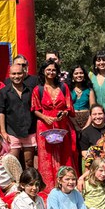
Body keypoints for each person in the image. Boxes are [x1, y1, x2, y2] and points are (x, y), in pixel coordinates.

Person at [33, 59, 78, 193]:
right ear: (43, 71)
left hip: (62, 124)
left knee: (64, 154)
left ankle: (66, 186)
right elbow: (35, 109)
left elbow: (69, 108)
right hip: (44, 125)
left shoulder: (64, 88)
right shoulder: (38, 89)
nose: (51, 72)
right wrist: (45, 117)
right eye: (48, 70)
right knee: (46, 157)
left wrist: (63, 113)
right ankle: (48, 189)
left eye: (53, 70)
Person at [0, 60, 37, 169]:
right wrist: (3, 132)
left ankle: (29, 184)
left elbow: (35, 110)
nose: (16, 76)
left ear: (24, 74)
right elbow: (1, 112)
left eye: (19, 73)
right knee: (12, 163)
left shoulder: (31, 90)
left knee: (29, 162)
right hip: (12, 131)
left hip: (29, 130)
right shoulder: (3, 92)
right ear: (9, 75)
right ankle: (16, 185)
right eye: (13, 74)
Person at [67, 65, 95, 133]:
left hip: (87, 120)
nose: (79, 75)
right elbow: (67, 109)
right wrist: (75, 125)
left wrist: (87, 126)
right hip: (71, 120)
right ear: (72, 76)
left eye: (81, 73)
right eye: (76, 73)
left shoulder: (89, 90)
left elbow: (93, 110)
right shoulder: (68, 90)